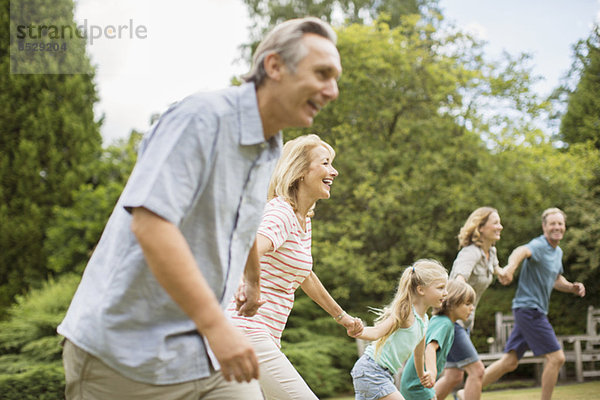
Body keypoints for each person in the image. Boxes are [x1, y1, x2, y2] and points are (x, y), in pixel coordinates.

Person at [57, 17, 342, 400]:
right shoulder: (202, 118)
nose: (333, 90)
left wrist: (253, 281)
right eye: (322, 73)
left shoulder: (269, 148)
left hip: (200, 352)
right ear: (274, 66)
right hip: (123, 353)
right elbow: (151, 226)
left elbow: (243, 231)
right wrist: (218, 326)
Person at [227, 134, 364, 399]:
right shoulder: (282, 213)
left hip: (264, 335)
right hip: (247, 331)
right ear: (300, 171)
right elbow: (249, 246)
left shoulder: (303, 220)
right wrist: (252, 284)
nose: (334, 171)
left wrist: (341, 316)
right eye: (325, 163)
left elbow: (305, 275)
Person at [482, 208, 586, 400]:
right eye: (552, 223)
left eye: (560, 223)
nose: (557, 227)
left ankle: (467, 392)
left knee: (510, 362)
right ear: (544, 227)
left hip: (530, 310)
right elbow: (521, 251)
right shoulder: (539, 245)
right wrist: (510, 268)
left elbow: (555, 279)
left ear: (564, 227)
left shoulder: (557, 252)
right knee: (557, 358)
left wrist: (572, 287)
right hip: (530, 309)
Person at [351, 259, 449, 400]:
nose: (445, 293)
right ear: (421, 289)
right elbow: (377, 332)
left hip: (380, 373)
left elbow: (419, 355)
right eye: (440, 288)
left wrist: (422, 376)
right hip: (371, 371)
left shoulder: (424, 321)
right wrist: (359, 331)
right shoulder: (406, 312)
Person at [434, 207, 503, 400]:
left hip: (464, 322)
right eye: (495, 222)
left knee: (454, 376)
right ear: (480, 228)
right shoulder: (470, 253)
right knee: (477, 371)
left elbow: (497, 268)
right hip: (451, 321)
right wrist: (462, 288)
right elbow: (458, 279)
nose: (500, 226)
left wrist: (505, 273)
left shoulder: (490, 252)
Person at [401, 279, 476, 400]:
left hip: (419, 384)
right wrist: (432, 373)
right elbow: (430, 347)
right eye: (467, 304)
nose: (472, 308)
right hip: (418, 385)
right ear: (451, 303)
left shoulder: (444, 322)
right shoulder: (444, 323)